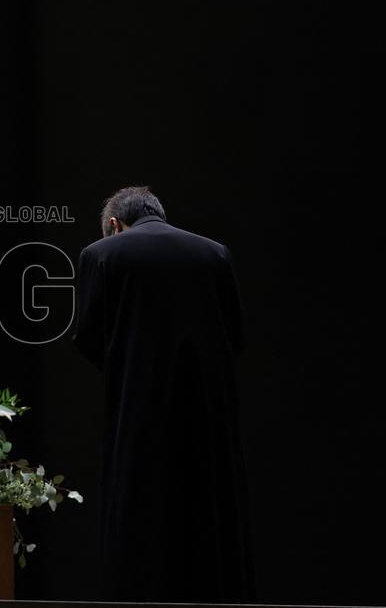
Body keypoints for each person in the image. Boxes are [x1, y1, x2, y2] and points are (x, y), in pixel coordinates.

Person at [73, 186, 254, 602]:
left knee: (142, 513)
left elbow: (88, 338)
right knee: (208, 508)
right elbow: (235, 336)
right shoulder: (215, 254)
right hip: (208, 414)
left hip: (138, 410)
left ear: (114, 225)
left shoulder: (101, 255)